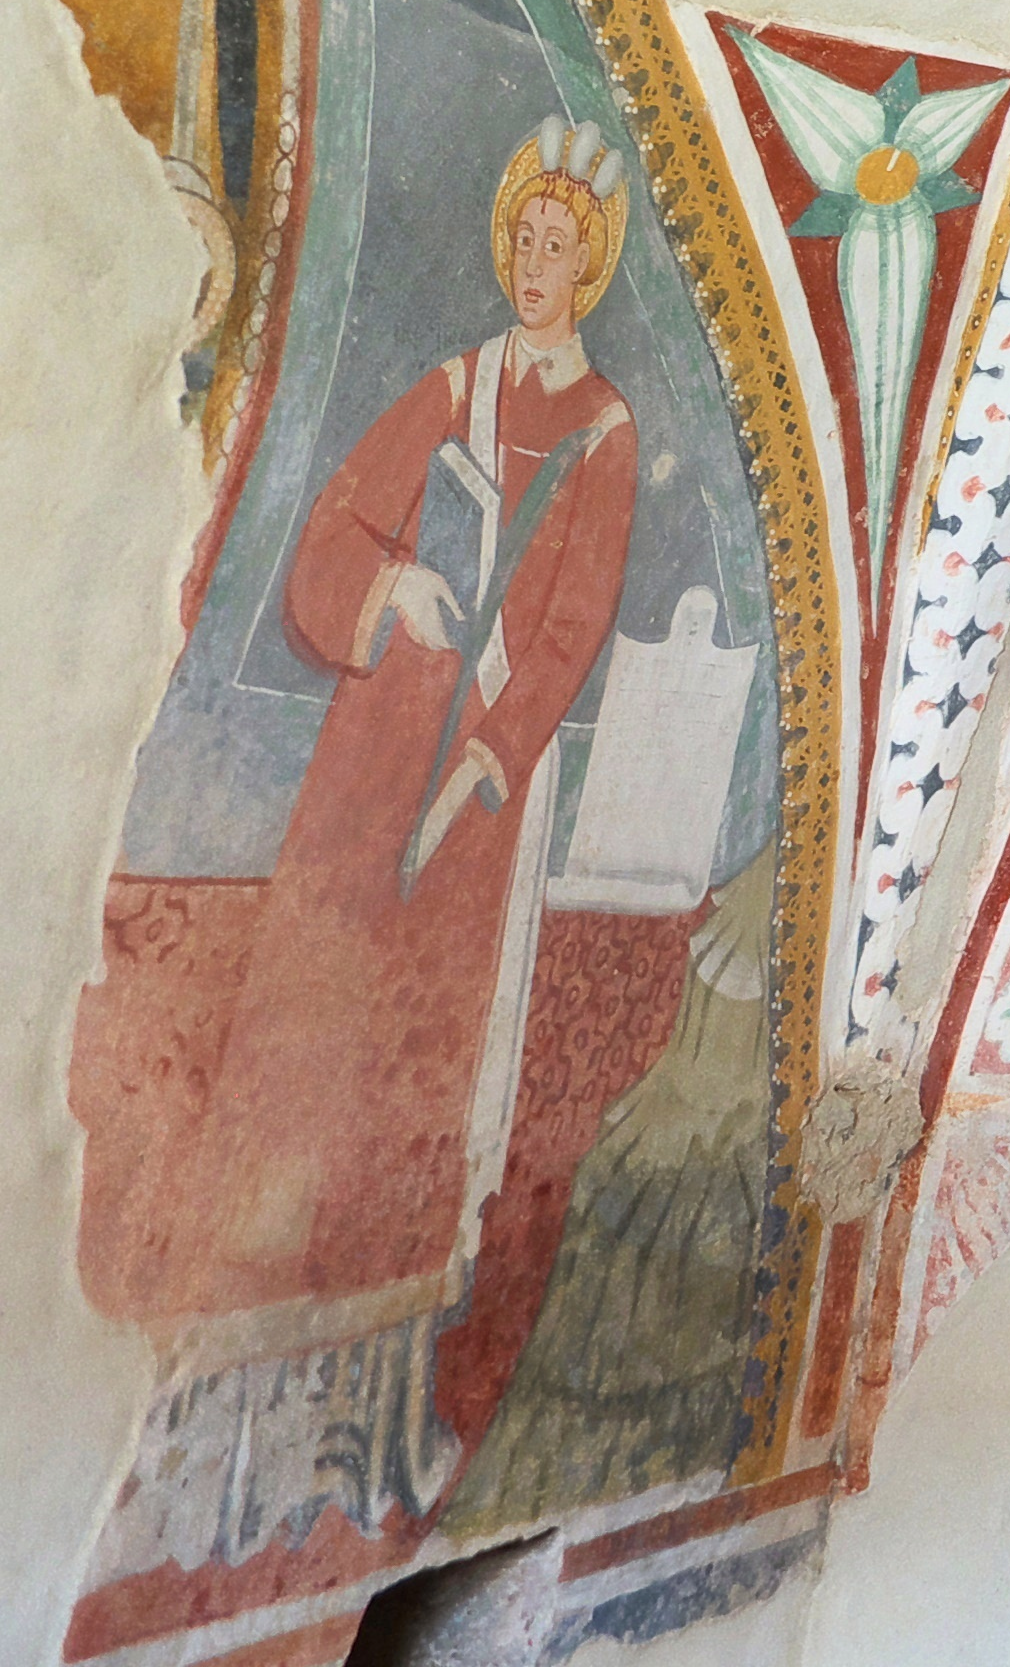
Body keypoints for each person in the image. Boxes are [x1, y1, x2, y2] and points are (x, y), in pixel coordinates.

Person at [104, 120, 641, 1563]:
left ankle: (364, 1433)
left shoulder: (602, 435)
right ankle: (217, 1438)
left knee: (424, 1059)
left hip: (468, 801)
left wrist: (491, 751)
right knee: (306, 1033)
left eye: (560, 251)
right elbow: (332, 533)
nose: (537, 269)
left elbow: (576, 622)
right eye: (523, 243)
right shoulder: (450, 387)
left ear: (590, 269)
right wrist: (391, 586)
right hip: (364, 769)